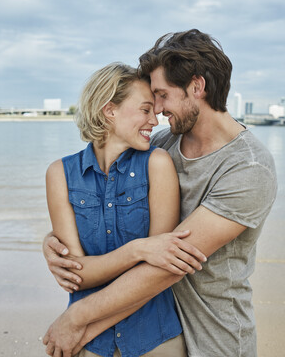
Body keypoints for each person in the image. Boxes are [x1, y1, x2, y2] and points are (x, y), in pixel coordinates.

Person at [43, 30, 277, 357]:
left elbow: (166, 265)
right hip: (153, 317)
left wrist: (77, 320)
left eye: (162, 95)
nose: (158, 109)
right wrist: (53, 242)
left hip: (214, 336)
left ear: (196, 87)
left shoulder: (249, 169)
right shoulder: (160, 145)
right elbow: (102, 193)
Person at [44, 62, 206, 357]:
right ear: (110, 110)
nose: (154, 121)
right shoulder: (59, 174)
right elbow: (76, 274)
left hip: (155, 340)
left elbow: (160, 268)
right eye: (145, 110)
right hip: (85, 344)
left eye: (155, 112)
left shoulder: (157, 164)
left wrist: (142, 256)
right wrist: (139, 250)